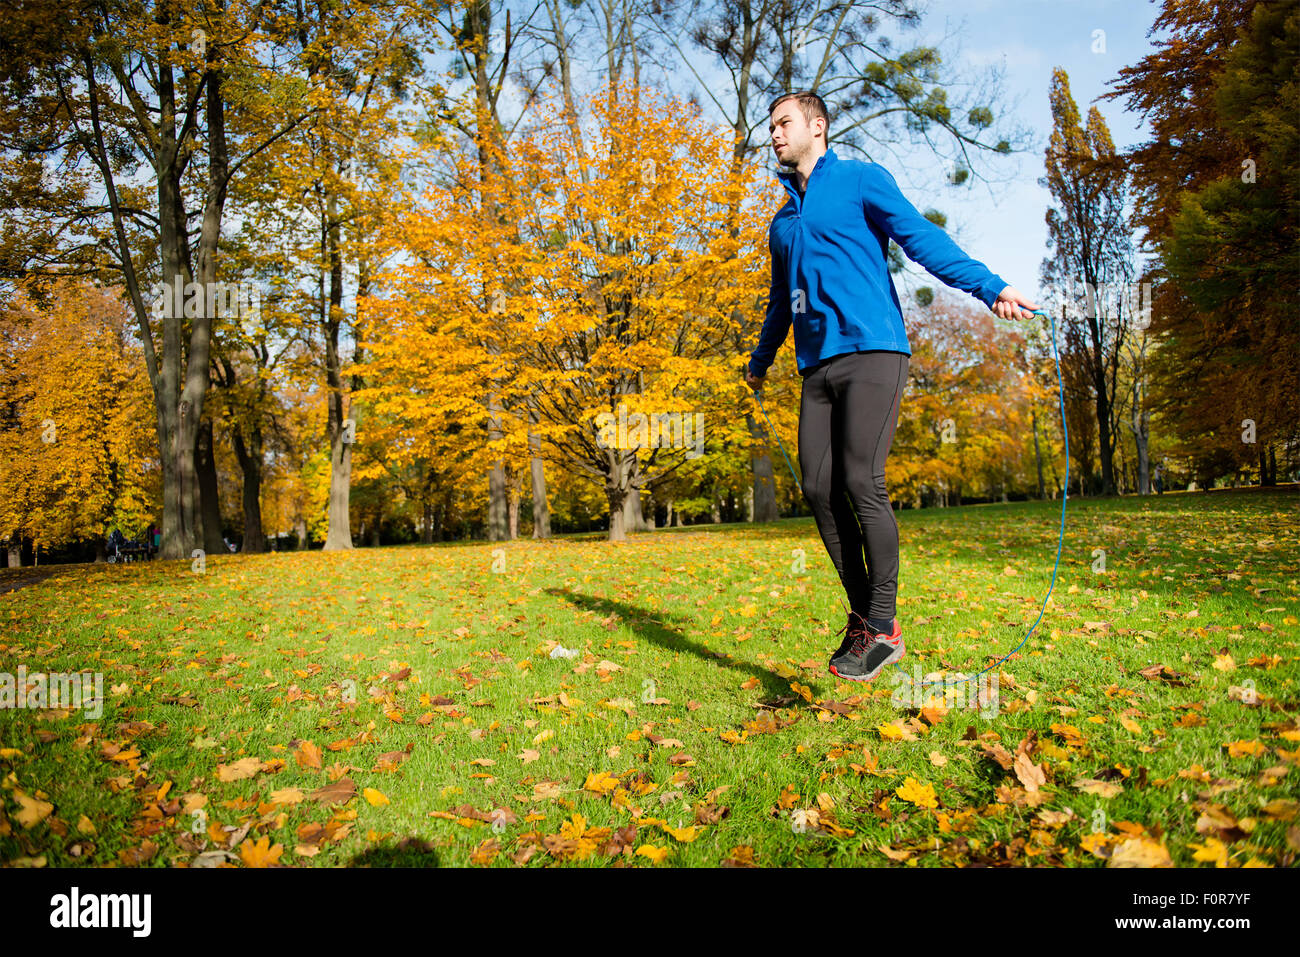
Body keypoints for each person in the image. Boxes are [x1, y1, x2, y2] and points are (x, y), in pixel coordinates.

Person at [745, 91, 1040, 683]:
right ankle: (864, 618)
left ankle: (884, 625)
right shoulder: (781, 223)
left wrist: (991, 288)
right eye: (770, 126)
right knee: (820, 488)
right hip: (817, 369)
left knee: (861, 480)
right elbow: (781, 301)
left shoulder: (858, 181)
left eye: (783, 123)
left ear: (817, 127)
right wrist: (760, 358)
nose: (773, 134)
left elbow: (920, 237)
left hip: (874, 352)